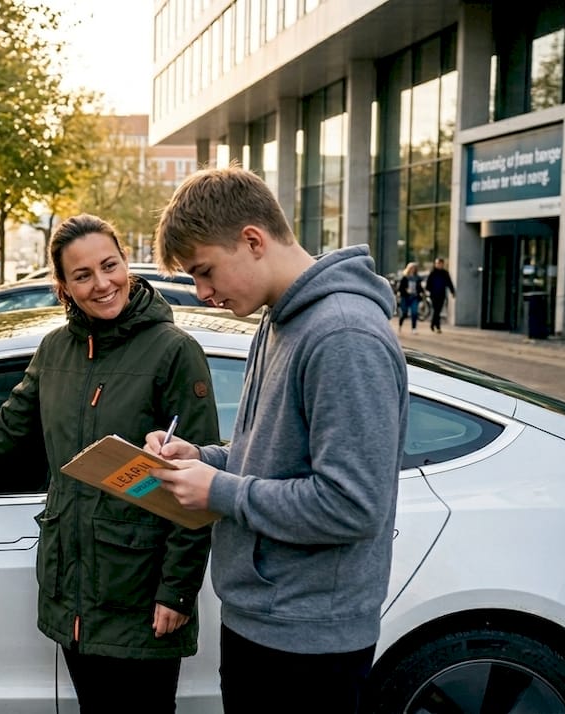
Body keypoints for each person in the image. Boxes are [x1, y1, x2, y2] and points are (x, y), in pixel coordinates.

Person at [0, 214, 220, 712]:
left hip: (140, 592)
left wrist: (178, 592)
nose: (103, 284)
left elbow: (195, 488)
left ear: (126, 262)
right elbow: (6, 429)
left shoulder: (173, 352)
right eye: (83, 275)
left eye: (110, 265)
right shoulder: (54, 351)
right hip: (71, 588)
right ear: (63, 287)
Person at [145, 166, 408, 714]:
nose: (202, 292)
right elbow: (268, 459)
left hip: (307, 643)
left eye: (205, 271)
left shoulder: (343, 335)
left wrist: (220, 491)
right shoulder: (279, 319)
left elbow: (352, 505)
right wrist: (203, 459)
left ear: (252, 240)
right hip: (265, 621)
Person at [426, 257, 455, 333]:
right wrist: (428, 290)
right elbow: (428, 283)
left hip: (441, 294)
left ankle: (433, 324)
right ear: (435, 264)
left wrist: (452, 291)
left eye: (440, 263)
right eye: (438, 263)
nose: (439, 265)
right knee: (436, 310)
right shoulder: (432, 273)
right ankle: (437, 326)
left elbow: (449, 282)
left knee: (438, 310)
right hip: (433, 295)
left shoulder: (445, 273)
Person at [395, 261, 426, 331]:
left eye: (414, 268)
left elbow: (420, 288)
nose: (413, 270)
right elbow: (400, 288)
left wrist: (422, 292)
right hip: (405, 298)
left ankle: (414, 328)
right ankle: (400, 325)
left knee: (414, 312)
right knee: (404, 313)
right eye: (411, 268)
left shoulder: (417, 278)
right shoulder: (405, 278)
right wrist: (406, 291)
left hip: (414, 297)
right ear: (408, 269)